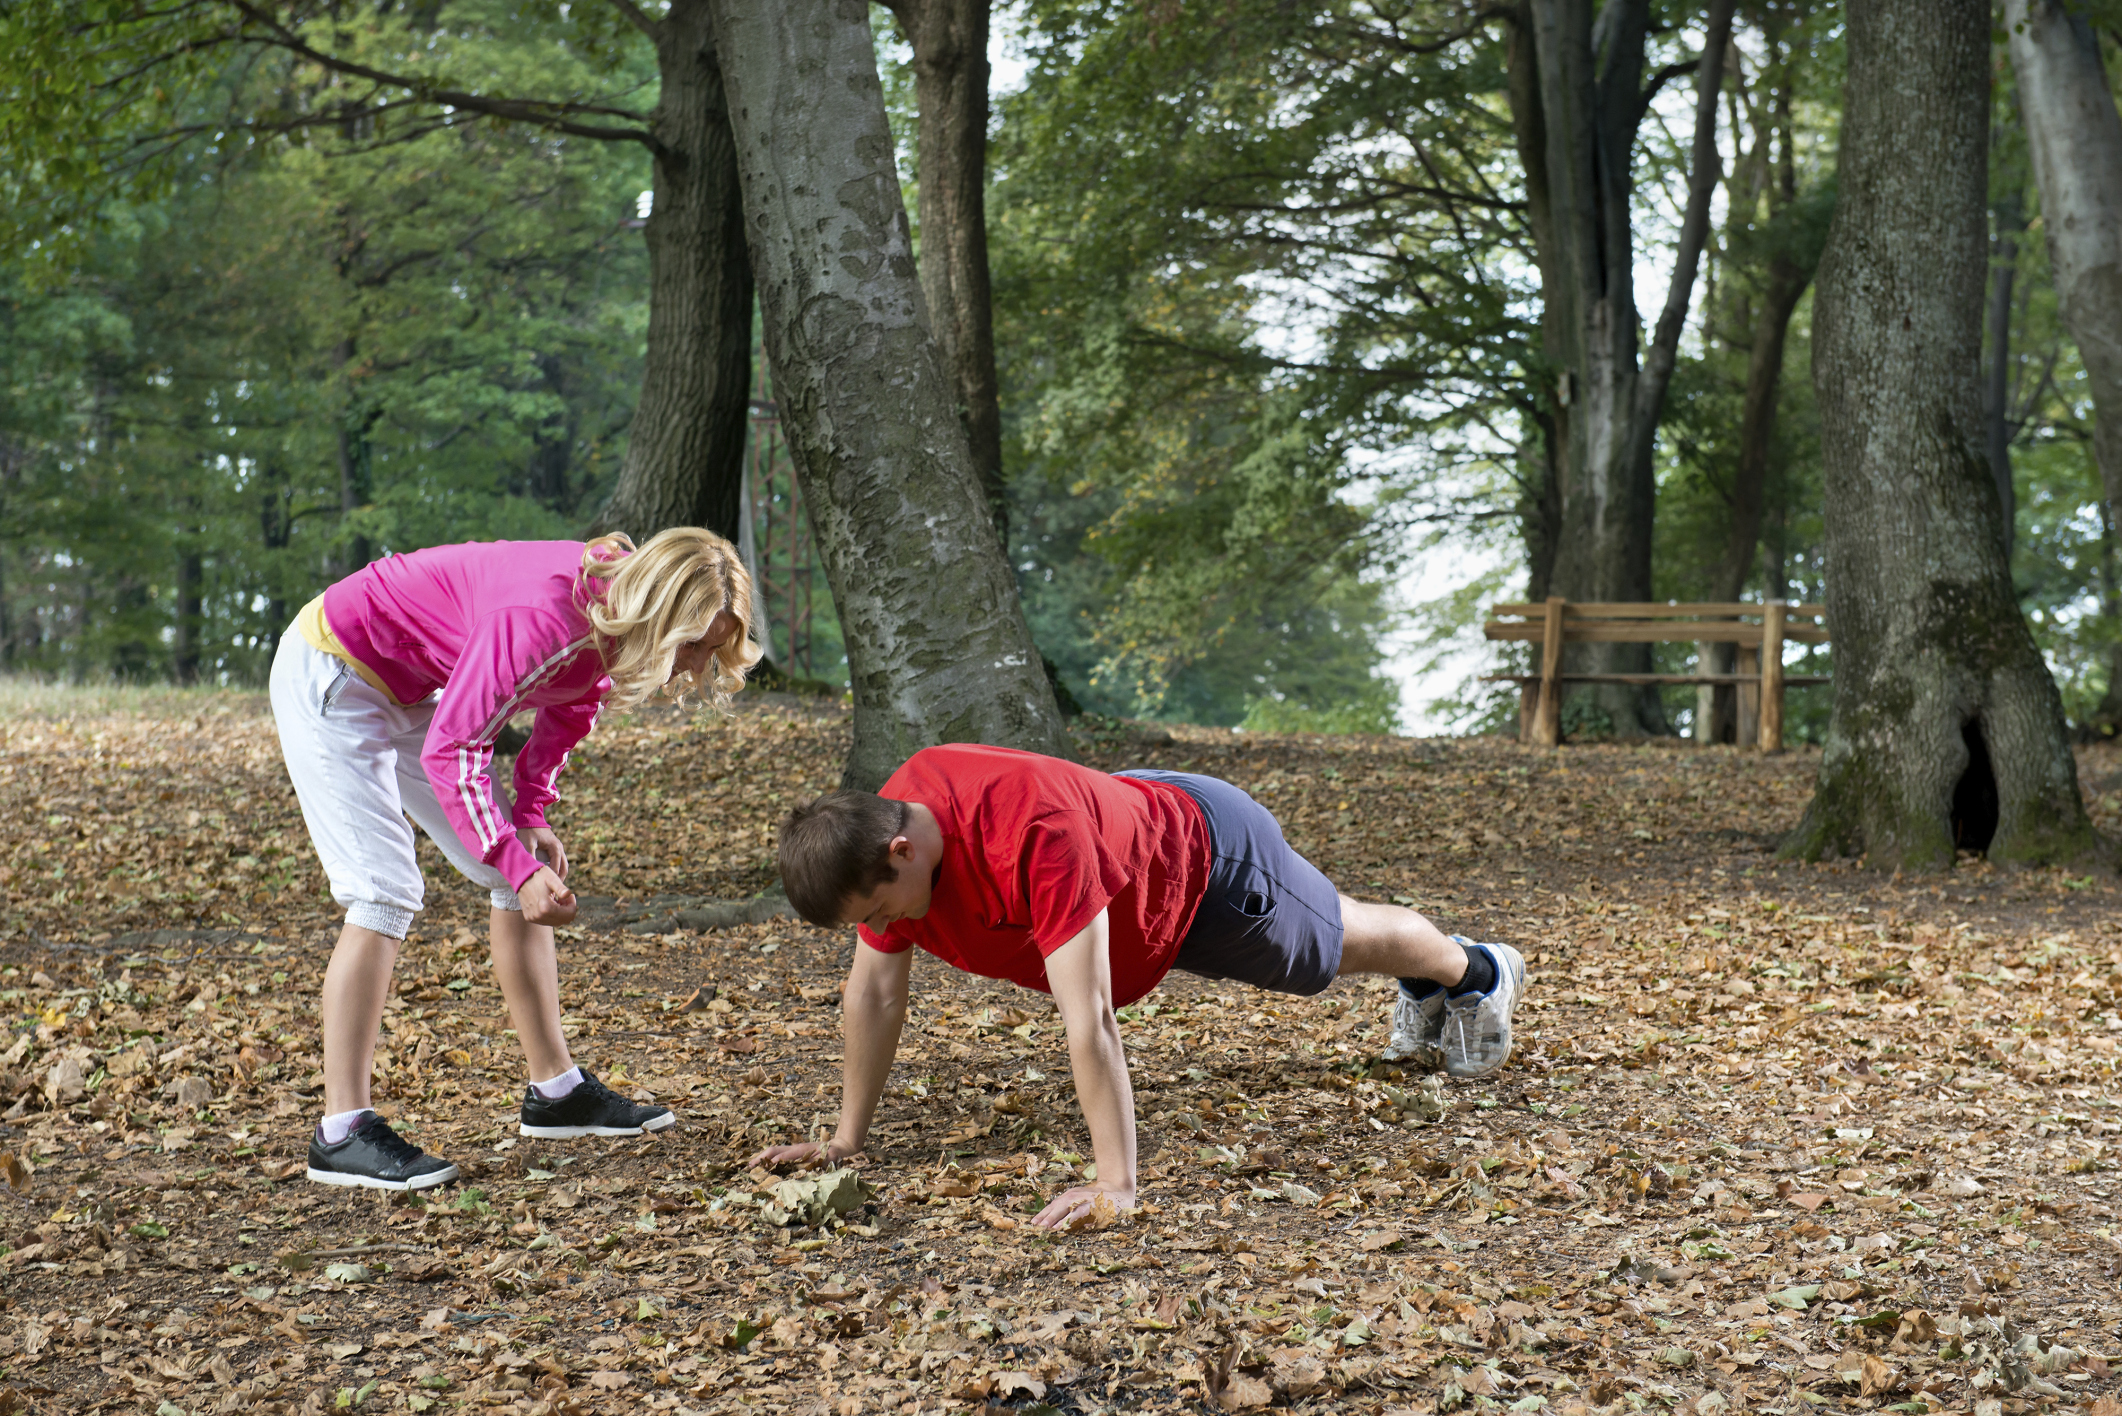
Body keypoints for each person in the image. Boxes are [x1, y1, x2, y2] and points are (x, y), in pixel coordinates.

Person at [753, 743, 1526, 1228]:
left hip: (1209, 865)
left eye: (888, 907)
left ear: (901, 847)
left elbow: (1086, 1017)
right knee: (1336, 944)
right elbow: (875, 992)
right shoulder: (889, 834)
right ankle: (1429, 991)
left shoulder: (1033, 836)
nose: (892, 928)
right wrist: (844, 1140)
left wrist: (1116, 1183)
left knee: (1331, 948)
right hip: (1126, 843)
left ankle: (1474, 971)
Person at [270, 530, 759, 1190]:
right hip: (333, 669)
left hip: (410, 687)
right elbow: (455, 750)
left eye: (711, 649)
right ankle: (341, 1131)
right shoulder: (543, 619)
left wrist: (529, 816)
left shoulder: (614, 618)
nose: (696, 665)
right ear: (658, 607)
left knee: (514, 866)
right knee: (383, 891)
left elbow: (575, 701)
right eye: (694, 642)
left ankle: (557, 1093)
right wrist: (516, 857)